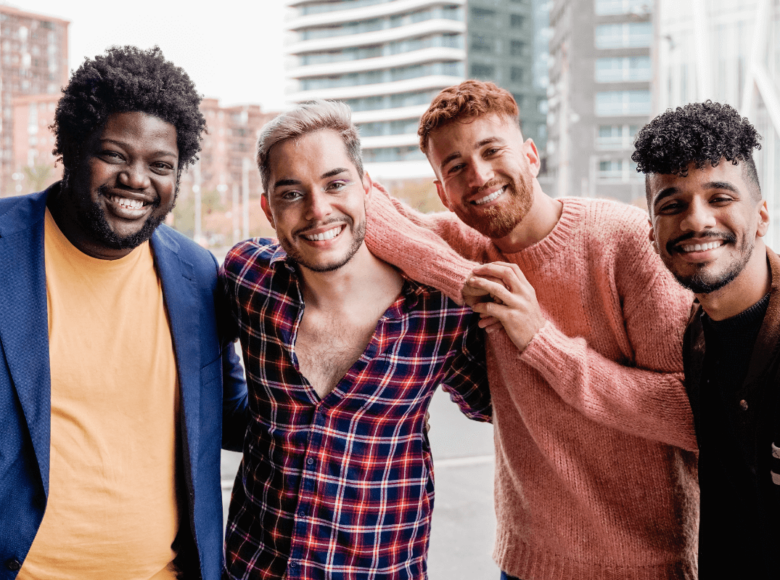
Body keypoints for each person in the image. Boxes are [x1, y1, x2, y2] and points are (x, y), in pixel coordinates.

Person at [363, 80, 700, 580]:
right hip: (527, 562)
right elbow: (365, 206)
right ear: (443, 193)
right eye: (455, 167)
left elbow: (692, 413)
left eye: (491, 150)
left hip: (646, 564)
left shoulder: (625, 240)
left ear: (531, 155)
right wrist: (467, 281)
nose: (478, 175)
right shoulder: (465, 246)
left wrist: (541, 340)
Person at [0, 46, 247, 580]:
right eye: (115, 155)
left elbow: (232, 417)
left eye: (160, 165)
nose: (137, 180)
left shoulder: (199, 273)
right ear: (70, 148)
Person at [219, 100, 492, 580]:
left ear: (369, 190)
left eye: (335, 183)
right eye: (291, 194)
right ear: (268, 209)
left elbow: (502, 408)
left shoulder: (440, 309)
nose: (318, 210)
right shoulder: (248, 279)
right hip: (252, 567)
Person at [634, 101, 777, 579]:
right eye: (672, 204)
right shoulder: (693, 337)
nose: (696, 221)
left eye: (719, 198)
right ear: (652, 235)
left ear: (760, 216)